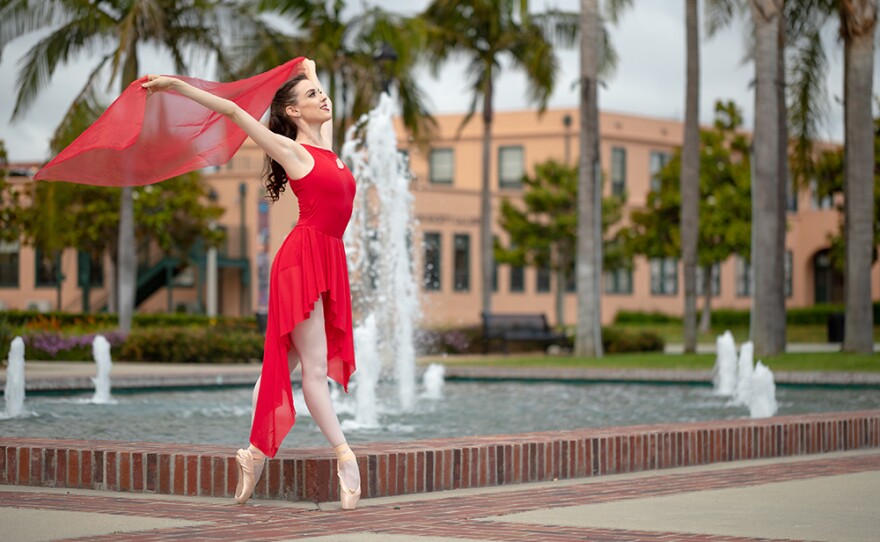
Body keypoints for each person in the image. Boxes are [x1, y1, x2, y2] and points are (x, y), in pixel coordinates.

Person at [142, 59, 361, 509]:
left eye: (321, 94)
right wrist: (175, 85)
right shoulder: (291, 150)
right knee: (314, 371)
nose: (323, 99)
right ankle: (344, 456)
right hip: (301, 262)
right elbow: (233, 112)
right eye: (312, 96)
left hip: (325, 258)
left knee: (282, 364)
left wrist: (311, 70)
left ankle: (254, 455)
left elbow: (327, 107)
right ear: (295, 114)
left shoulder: (328, 146)